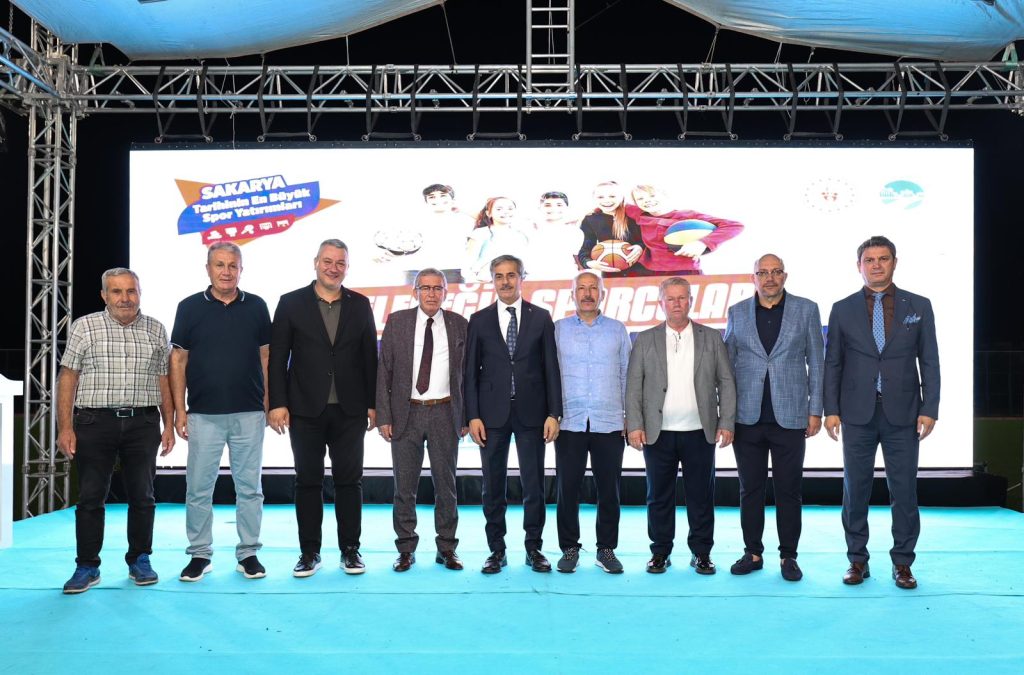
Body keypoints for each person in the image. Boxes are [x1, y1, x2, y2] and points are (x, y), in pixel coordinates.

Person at [823, 236, 939, 590]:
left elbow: (929, 360)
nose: (876, 265)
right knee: (854, 490)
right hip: (856, 413)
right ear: (859, 265)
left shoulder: (918, 305)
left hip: (903, 414)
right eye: (869, 260)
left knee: (904, 491)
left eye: (883, 258)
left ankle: (903, 562)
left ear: (894, 263)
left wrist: (930, 407)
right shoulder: (842, 309)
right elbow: (833, 363)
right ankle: (857, 560)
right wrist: (831, 409)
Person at [56, 268, 175, 594]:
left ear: (140, 293)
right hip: (94, 424)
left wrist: (168, 424)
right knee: (91, 498)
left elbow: (163, 380)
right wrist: (65, 427)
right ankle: (87, 566)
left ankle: (140, 559)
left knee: (143, 497)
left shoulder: (156, 328)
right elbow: (68, 377)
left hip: (143, 424)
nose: (125, 298)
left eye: (131, 291)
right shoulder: (84, 327)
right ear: (104, 295)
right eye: (117, 291)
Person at [268, 239, 378, 577]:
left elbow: (369, 357)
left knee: (350, 481)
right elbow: (277, 358)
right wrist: (277, 403)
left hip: (350, 410)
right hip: (304, 409)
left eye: (340, 263)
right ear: (316, 262)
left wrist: (373, 405)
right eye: (328, 261)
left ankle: (351, 550)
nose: (334, 268)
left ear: (347, 267)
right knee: (308, 481)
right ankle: (309, 552)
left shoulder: (360, 304)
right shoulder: (290, 302)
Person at [169, 242, 272, 582]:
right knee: (199, 488)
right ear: (208, 268)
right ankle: (200, 555)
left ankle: (249, 554)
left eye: (232, 265)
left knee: (250, 488)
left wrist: (269, 403)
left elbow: (266, 357)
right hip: (202, 415)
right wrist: (180, 411)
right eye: (220, 265)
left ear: (241, 270)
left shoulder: (257, 306)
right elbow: (178, 360)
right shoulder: (188, 307)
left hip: (249, 413)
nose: (226, 271)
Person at [625, 277, 736, 575]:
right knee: (658, 496)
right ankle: (660, 552)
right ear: (661, 302)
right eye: (670, 298)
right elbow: (634, 385)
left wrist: (726, 421)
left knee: (701, 496)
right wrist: (634, 424)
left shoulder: (711, 337)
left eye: (682, 297)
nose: (677, 303)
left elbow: (726, 381)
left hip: (700, 431)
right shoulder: (645, 339)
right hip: (657, 432)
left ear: (691, 300)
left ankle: (702, 553)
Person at [724, 254, 824, 582]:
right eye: (762, 272)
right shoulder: (737, 312)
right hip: (746, 418)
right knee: (749, 489)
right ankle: (752, 552)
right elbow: (727, 366)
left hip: (791, 416)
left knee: (789, 490)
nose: (769, 278)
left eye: (775, 272)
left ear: (785, 276)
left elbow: (817, 362)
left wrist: (815, 410)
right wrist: (725, 414)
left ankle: (788, 556)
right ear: (753, 277)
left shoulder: (806, 310)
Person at [465, 254, 562, 573]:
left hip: (532, 414)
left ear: (522, 278)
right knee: (492, 486)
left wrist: (554, 412)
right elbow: (470, 372)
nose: (505, 281)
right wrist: (472, 415)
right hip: (490, 416)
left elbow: (551, 368)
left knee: (534, 486)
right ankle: (496, 550)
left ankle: (534, 548)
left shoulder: (541, 317)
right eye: (499, 276)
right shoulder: (478, 320)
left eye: (511, 275)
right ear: (492, 280)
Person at [376, 267, 469, 572]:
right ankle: (405, 549)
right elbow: (384, 371)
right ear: (414, 292)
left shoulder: (459, 324)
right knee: (404, 487)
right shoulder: (397, 322)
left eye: (437, 288)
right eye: (425, 288)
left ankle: (447, 548)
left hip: (445, 412)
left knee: (446, 485)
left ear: (446, 292)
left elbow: (468, 376)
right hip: (406, 413)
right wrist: (384, 416)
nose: (431, 293)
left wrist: (466, 416)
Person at [553, 271, 632, 573]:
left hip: (609, 422)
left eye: (593, 289)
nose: (587, 294)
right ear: (572, 294)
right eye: (581, 289)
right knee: (567, 489)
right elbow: (549, 375)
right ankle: (569, 548)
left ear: (602, 294)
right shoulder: (558, 330)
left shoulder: (617, 330)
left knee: (609, 490)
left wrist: (629, 416)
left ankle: (606, 550)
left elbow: (627, 374)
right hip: (569, 422)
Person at [625, 184, 744, 275]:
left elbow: (734, 226)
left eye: (652, 195)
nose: (646, 200)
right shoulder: (639, 214)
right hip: (651, 273)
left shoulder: (687, 216)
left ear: (665, 195)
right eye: (640, 198)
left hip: (686, 272)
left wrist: (702, 243)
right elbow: (617, 201)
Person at [577, 181, 644, 275]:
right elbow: (585, 250)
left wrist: (640, 247)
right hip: (610, 272)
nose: (606, 200)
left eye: (612, 196)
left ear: (621, 197)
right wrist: (589, 263)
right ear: (594, 199)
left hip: (641, 271)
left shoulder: (634, 214)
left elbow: (649, 241)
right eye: (600, 197)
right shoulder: (590, 219)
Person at [463, 197, 531, 283]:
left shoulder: (521, 234)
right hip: (486, 281)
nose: (506, 212)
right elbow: (468, 262)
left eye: (510, 209)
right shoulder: (480, 233)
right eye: (499, 209)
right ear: (489, 213)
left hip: (516, 282)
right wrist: (474, 281)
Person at [529, 191, 583, 279]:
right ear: (539, 208)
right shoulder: (530, 229)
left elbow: (578, 259)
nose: (553, 208)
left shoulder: (574, 231)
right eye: (547, 205)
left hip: (566, 277)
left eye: (559, 205)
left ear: (567, 208)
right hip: (536, 278)